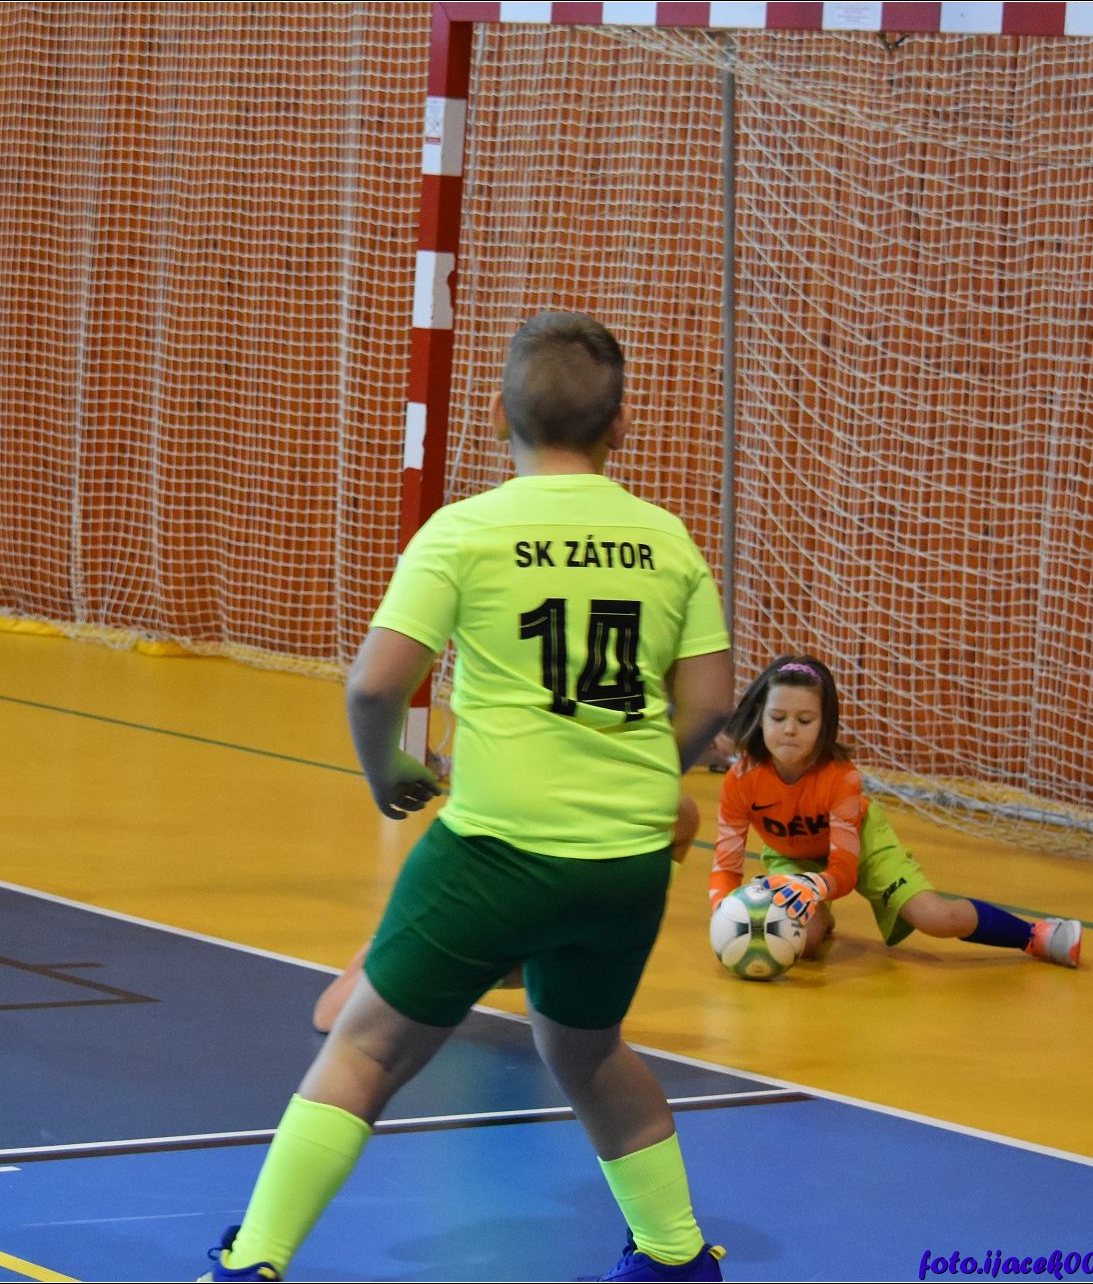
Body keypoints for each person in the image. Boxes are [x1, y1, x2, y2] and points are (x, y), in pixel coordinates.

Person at [201, 312, 734, 1283]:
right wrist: (641, 780)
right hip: (623, 864)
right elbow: (707, 703)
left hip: (496, 853)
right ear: (621, 426)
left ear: (496, 417)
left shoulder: (464, 532)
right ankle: (675, 1254)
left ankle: (253, 1263)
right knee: (586, 1051)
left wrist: (388, 776)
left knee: (363, 1050)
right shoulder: (668, 541)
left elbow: (375, 685)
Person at [709, 656, 1082, 967]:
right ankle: (821, 919)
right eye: (778, 718)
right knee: (802, 943)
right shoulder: (741, 780)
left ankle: (1035, 935)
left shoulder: (841, 777)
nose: (790, 729)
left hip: (863, 846)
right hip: (793, 858)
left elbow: (844, 871)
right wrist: (723, 912)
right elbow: (726, 866)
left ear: (825, 725)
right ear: (760, 717)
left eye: (805, 720)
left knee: (936, 918)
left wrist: (816, 886)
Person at [311, 793, 704, 1033]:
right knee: (336, 1016)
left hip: (567, 926)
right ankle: (390, 950)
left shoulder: (666, 814)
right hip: (497, 913)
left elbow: (681, 817)